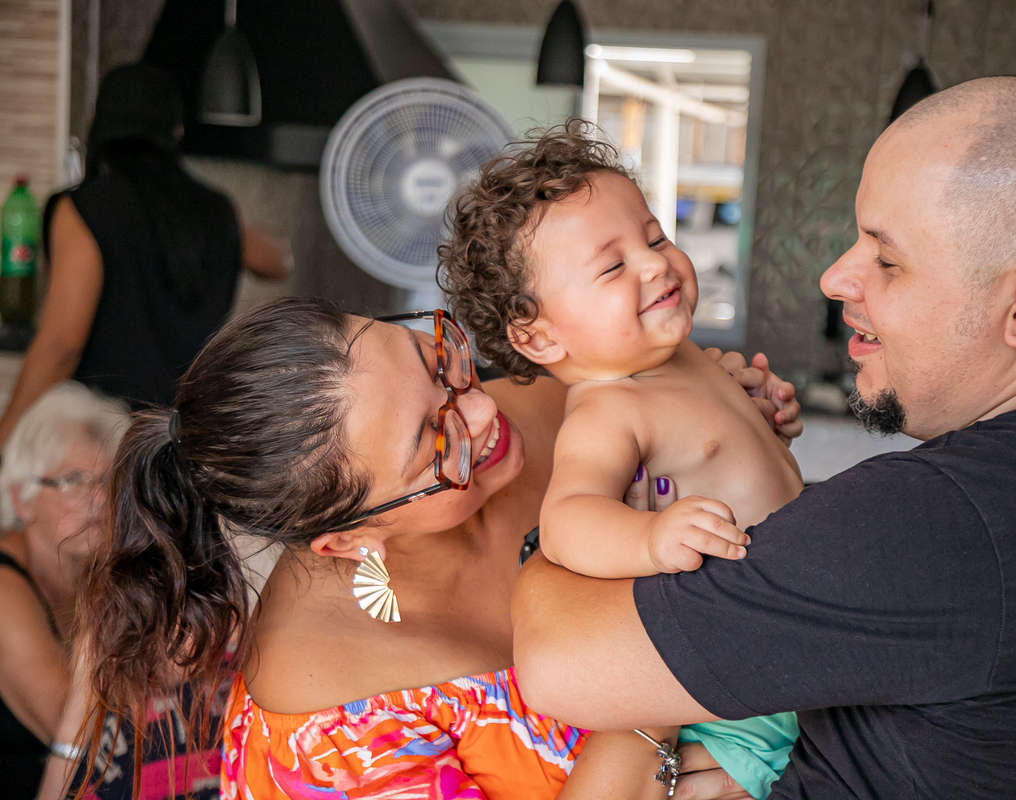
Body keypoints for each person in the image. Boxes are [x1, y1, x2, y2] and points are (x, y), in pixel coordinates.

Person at [510, 76, 1016, 798]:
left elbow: (558, 665)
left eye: (887, 259)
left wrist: (559, 533)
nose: (834, 278)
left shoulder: (941, 523)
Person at [76, 296, 802, 799]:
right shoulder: (326, 723)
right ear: (345, 537)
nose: (487, 411)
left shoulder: (563, 406)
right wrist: (658, 705)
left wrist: (729, 419)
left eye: (439, 361)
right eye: (437, 444)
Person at [440, 126, 803, 799]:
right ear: (538, 333)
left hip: (789, 635)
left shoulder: (684, 356)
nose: (656, 265)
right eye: (613, 267)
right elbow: (570, 519)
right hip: (737, 705)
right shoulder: (609, 410)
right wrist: (652, 538)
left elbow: (732, 455)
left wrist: (767, 417)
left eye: (656, 238)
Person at [0, 63, 290, 447]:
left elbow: (61, 345)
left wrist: (7, 438)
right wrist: (223, 222)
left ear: (96, 123)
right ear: (175, 131)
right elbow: (280, 262)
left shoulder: (86, 207)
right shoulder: (216, 210)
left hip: (105, 445)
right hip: (186, 441)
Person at [0, 382, 128, 799]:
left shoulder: (102, 570)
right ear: (22, 499)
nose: (98, 500)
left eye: (109, 480)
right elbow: (71, 728)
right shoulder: (4, 585)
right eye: (74, 481)